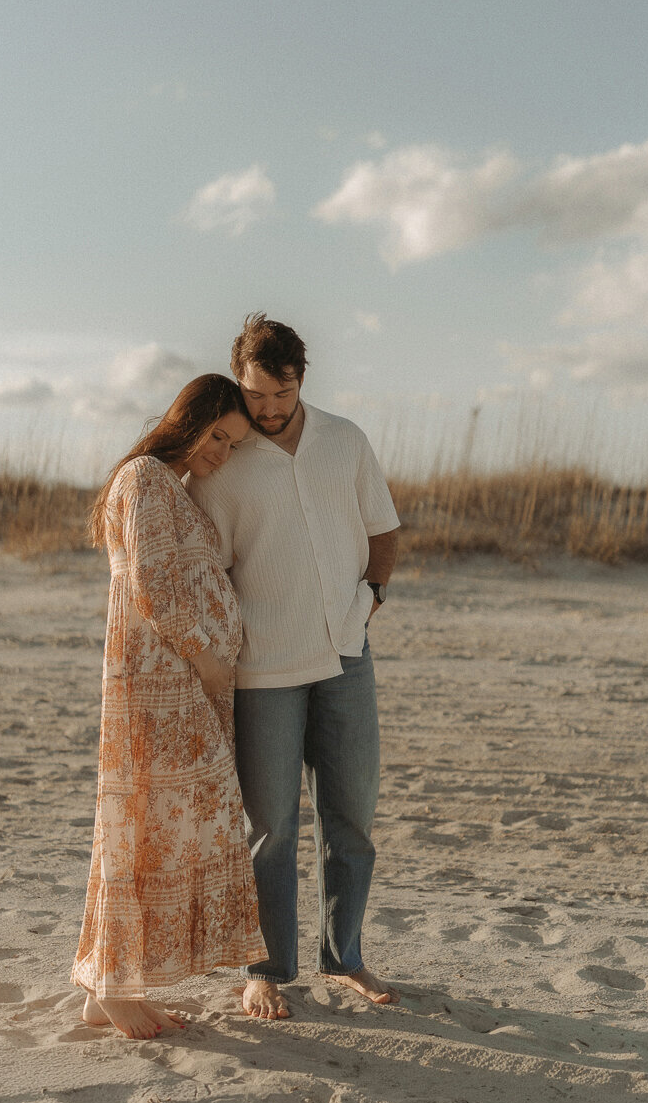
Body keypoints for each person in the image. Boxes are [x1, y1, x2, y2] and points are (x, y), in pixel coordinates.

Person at [188, 315, 401, 1021]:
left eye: (280, 394)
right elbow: (208, 567)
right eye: (255, 396)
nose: (268, 410)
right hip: (264, 667)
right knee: (270, 825)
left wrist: (370, 597)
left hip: (345, 653)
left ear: (299, 380)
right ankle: (265, 969)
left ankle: (346, 959)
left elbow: (382, 528)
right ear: (238, 384)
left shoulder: (345, 440)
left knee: (351, 818)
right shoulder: (224, 464)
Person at [71, 373, 267, 1039]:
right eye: (217, 436)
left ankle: (113, 985)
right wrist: (207, 656)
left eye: (233, 444)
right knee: (141, 833)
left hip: (180, 687)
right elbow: (152, 580)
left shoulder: (170, 486)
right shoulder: (147, 478)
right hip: (158, 687)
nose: (221, 452)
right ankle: (112, 986)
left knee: (157, 833)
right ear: (186, 421)